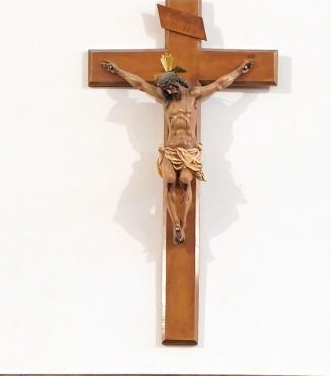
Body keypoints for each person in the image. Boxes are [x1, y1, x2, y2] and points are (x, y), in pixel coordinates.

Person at [100, 54, 254, 244]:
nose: (170, 91)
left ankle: (184, 222)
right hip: (171, 151)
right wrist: (118, 71)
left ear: (177, 82)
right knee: (170, 181)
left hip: (189, 152)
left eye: (171, 87)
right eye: (166, 89)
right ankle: (176, 224)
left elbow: (219, 84)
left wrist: (239, 71)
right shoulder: (166, 100)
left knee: (186, 181)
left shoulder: (194, 95)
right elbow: (139, 84)